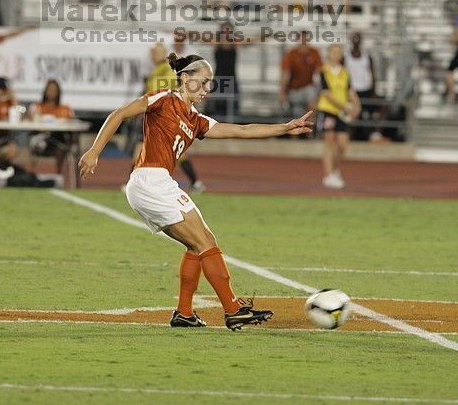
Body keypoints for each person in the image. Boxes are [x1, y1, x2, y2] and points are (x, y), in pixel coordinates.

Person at [78, 53, 313, 330]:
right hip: (150, 181)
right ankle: (233, 309)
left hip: (159, 183)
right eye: (201, 83)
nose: (206, 89)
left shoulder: (197, 120)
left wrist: (284, 128)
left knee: (200, 242)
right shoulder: (163, 99)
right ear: (185, 78)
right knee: (206, 245)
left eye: (209, 84)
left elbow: (242, 130)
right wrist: (95, 151)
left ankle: (184, 313)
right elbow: (119, 114)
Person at [125, 43, 206, 192]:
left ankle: (195, 182)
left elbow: (167, 95)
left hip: (159, 116)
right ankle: (132, 182)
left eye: (155, 52)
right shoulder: (159, 70)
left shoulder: (167, 72)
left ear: (162, 54)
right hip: (151, 115)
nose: (152, 55)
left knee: (175, 152)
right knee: (140, 149)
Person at [316, 44, 361, 190]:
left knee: (342, 144)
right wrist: (345, 107)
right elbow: (326, 93)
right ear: (328, 53)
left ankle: (335, 170)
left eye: (340, 52)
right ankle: (328, 175)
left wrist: (356, 105)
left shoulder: (344, 72)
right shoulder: (323, 71)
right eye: (334, 52)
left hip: (342, 112)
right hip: (328, 110)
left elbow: (350, 91)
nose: (337, 55)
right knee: (329, 142)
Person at [345, 32, 388, 141]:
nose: (356, 41)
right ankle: (348, 135)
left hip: (366, 91)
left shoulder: (367, 56)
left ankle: (376, 133)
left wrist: (373, 91)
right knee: (350, 112)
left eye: (358, 39)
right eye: (354, 38)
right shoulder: (346, 57)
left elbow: (373, 74)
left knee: (384, 106)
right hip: (352, 92)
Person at [28, 79, 74, 174]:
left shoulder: (65, 109)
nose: (51, 92)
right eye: (49, 89)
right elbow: (30, 120)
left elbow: (70, 123)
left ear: (58, 92)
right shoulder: (36, 107)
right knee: (36, 142)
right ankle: (31, 175)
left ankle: (58, 175)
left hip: (56, 141)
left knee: (61, 145)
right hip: (40, 139)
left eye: (54, 90)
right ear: (45, 91)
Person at [279, 30, 323, 117]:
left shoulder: (314, 53)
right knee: (298, 115)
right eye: (301, 39)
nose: (303, 41)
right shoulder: (291, 54)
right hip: (294, 90)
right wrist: (282, 92)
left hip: (309, 89)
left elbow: (320, 71)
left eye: (305, 39)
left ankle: (310, 129)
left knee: (311, 96)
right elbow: (285, 74)